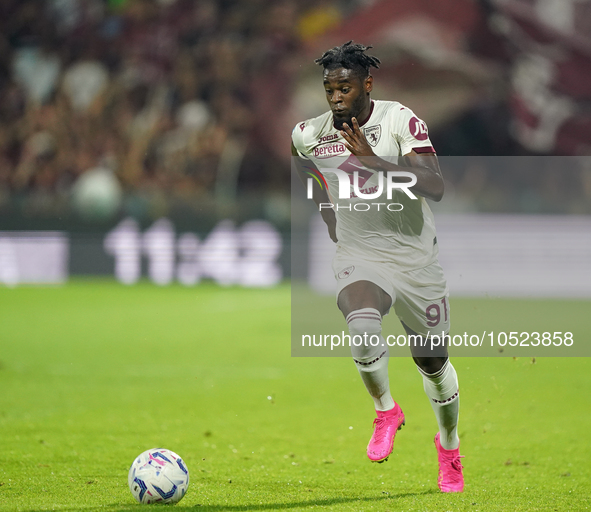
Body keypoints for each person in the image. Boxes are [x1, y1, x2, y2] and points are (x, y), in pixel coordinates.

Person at [291, 41, 464, 493]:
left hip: (414, 259)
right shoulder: (309, 132)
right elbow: (307, 170)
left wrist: (374, 162)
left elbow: (434, 186)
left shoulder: (399, 120)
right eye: (329, 89)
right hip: (359, 254)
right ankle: (386, 409)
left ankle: (449, 446)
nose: (335, 98)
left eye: (344, 87)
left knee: (432, 362)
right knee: (362, 321)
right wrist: (325, 209)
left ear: (367, 84)